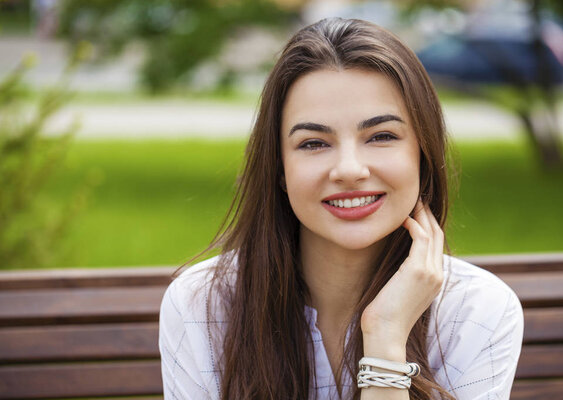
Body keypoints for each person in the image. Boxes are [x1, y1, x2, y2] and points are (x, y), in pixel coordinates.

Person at [159, 18, 523, 400]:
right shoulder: (201, 305)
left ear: (423, 155)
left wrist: (386, 334)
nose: (349, 170)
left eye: (381, 136)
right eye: (314, 143)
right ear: (279, 168)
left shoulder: (476, 313)